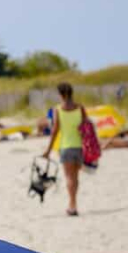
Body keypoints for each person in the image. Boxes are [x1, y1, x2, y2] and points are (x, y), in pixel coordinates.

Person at [41, 82, 86, 216]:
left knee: (69, 178)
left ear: (60, 94)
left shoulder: (58, 110)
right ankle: (74, 203)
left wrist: (48, 150)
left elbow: (55, 130)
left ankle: (71, 206)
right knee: (75, 177)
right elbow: (85, 129)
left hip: (66, 147)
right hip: (79, 147)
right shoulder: (80, 108)